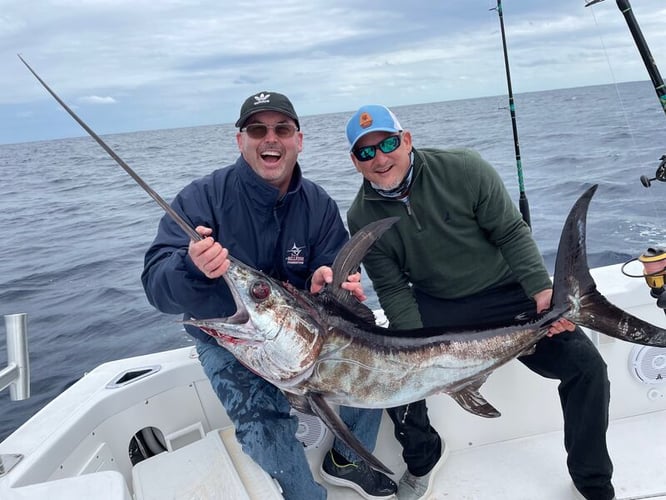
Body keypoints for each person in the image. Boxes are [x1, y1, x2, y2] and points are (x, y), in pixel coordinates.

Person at [343, 104, 615, 500]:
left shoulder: (465, 168)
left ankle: (593, 483)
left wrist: (542, 291)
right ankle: (423, 459)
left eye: (387, 143)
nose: (380, 158)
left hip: (507, 294)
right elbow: (394, 289)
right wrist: (419, 358)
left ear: (407, 140)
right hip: (439, 307)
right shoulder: (361, 214)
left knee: (587, 367)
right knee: (389, 378)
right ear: (355, 161)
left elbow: (510, 232)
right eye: (366, 152)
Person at [141, 92, 397, 500]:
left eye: (282, 129)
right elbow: (156, 286)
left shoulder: (318, 205)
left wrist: (330, 285)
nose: (270, 139)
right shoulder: (201, 198)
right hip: (231, 341)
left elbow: (336, 274)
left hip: (309, 334)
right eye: (257, 129)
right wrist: (191, 268)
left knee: (374, 377)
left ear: (299, 139)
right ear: (240, 140)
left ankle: (345, 461)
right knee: (264, 420)